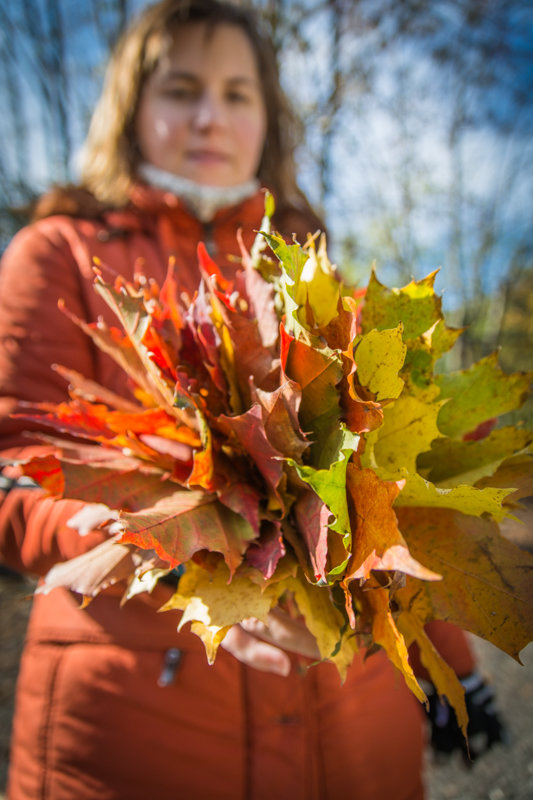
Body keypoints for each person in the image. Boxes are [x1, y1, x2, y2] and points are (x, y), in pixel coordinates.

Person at [0, 2, 495, 798]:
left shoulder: (310, 273)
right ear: (133, 109)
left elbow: (395, 494)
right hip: (138, 717)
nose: (208, 116)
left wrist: (451, 667)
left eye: (236, 93)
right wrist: (181, 553)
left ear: (268, 117)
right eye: (181, 89)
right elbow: (18, 479)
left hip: (348, 718)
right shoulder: (59, 256)